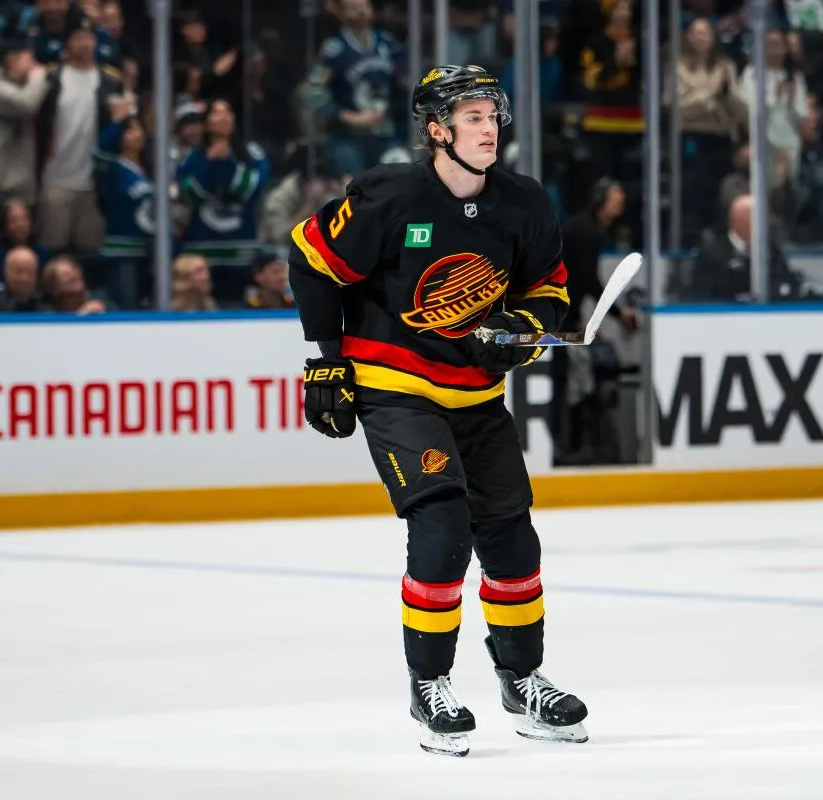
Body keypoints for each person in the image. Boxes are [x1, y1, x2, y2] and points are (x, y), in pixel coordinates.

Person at [288, 64, 588, 758]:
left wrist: (517, 330)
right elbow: (311, 260)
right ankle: (430, 685)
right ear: (437, 130)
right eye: (473, 117)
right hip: (396, 386)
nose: (489, 128)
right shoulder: (391, 195)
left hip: (476, 397)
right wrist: (325, 360)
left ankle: (521, 679)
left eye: (492, 115)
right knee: (442, 524)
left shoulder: (523, 202)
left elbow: (549, 287)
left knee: (512, 537)